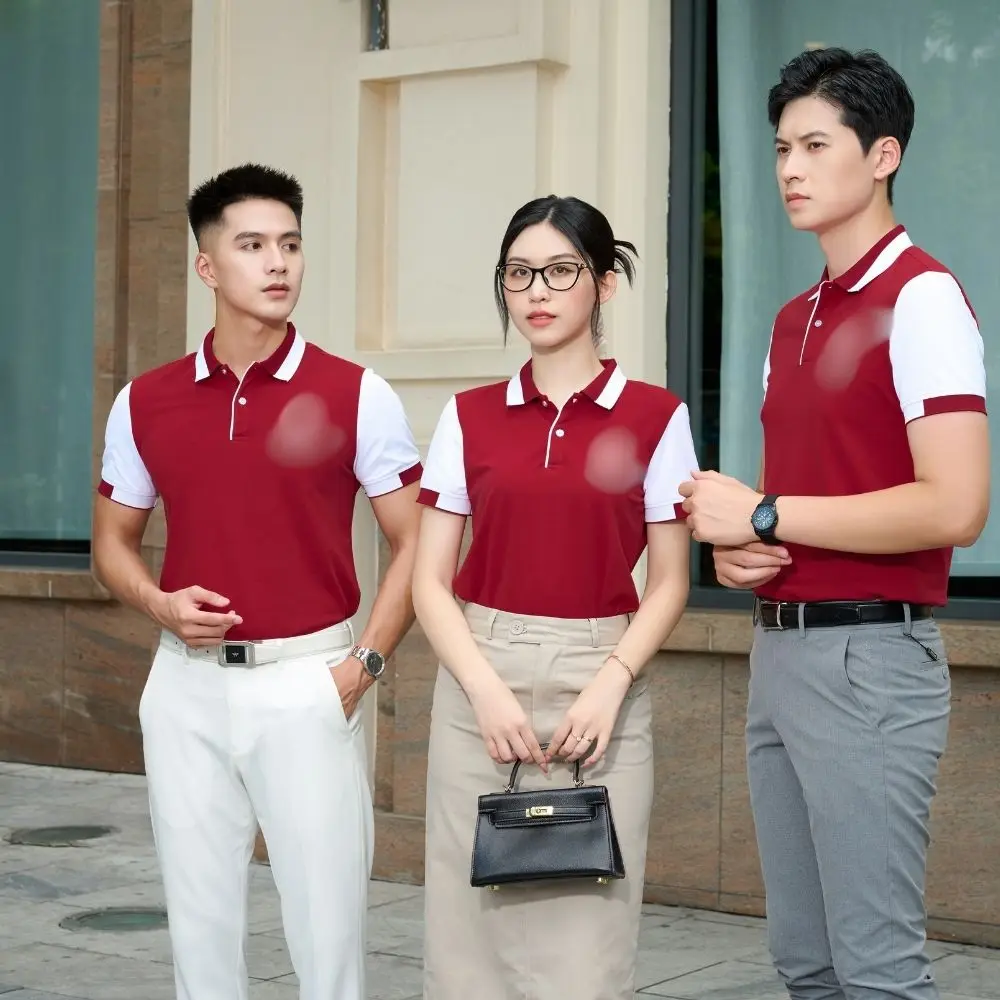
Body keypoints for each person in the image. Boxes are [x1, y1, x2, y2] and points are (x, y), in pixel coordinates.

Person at [679, 49, 989, 1000]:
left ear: (883, 155)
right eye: (782, 148)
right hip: (779, 652)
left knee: (877, 971)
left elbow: (957, 506)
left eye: (816, 146)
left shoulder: (922, 297)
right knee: (806, 964)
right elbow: (796, 506)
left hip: (871, 661)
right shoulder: (792, 319)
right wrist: (746, 550)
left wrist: (764, 509)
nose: (790, 168)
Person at [93, 163, 422, 1000]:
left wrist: (364, 666)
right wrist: (159, 603)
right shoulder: (144, 402)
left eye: (291, 244)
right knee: (198, 934)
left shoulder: (357, 394)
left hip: (309, 682)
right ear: (207, 267)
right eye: (252, 245)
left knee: (328, 937)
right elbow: (111, 546)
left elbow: (418, 542)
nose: (278, 262)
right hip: (184, 688)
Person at [412, 195, 697, 1000]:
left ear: (605, 284)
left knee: (588, 950)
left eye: (561, 271)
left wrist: (612, 683)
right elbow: (430, 579)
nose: (536, 290)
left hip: (602, 683)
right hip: (478, 681)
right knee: (467, 948)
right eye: (518, 273)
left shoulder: (656, 416)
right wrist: (482, 689)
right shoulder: (467, 417)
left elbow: (670, 582)